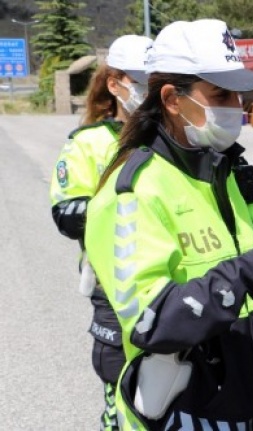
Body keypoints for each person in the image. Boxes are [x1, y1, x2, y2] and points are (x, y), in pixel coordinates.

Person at [84, 19, 253, 430]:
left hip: (252, 408)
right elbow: (151, 321)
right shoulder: (132, 193)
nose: (237, 104)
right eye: (220, 94)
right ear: (172, 99)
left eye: (237, 93)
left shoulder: (225, 171)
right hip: (185, 417)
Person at [49, 34, 153, 431]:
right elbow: (66, 214)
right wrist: (129, 203)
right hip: (116, 290)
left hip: (179, 288)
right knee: (122, 401)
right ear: (115, 83)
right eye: (142, 80)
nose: (151, 91)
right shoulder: (90, 144)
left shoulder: (175, 142)